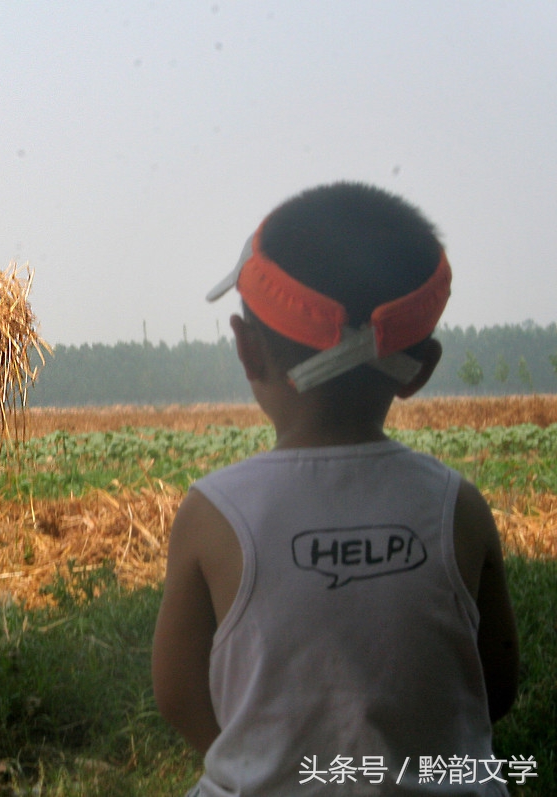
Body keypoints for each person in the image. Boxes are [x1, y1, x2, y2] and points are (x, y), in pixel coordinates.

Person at [152, 182, 519, 795]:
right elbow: (496, 686)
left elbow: (177, 694)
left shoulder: (213, 514)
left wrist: (270, 760)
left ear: (248, 350)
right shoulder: (457, 507)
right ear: (419, 369)